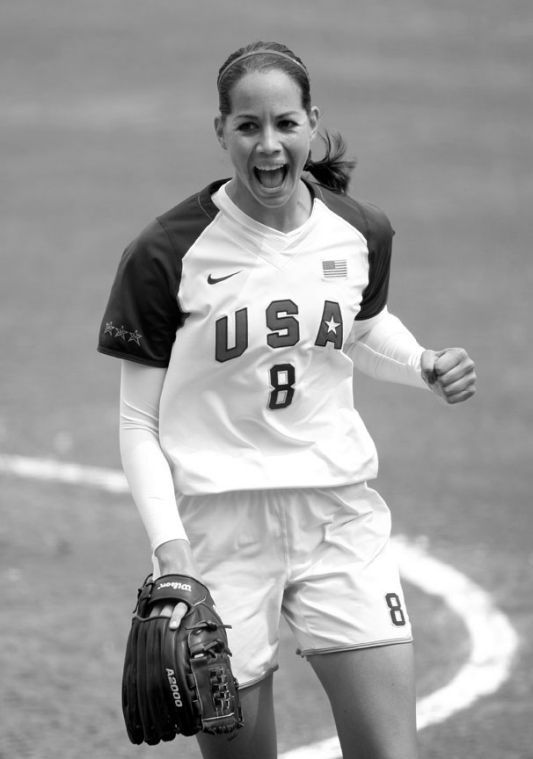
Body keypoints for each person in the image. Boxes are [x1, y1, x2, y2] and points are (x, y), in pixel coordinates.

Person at [98, 40, 476, 759]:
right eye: (247, 126)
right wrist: (171, 554)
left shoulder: (359, 231)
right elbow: (135, 421)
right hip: (219, 533)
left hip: (338, 515)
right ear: (220, 133)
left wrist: (422, 362)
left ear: (310, 122)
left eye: (284, 124)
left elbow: (356, 329)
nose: (267, 145)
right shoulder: (166, 253)